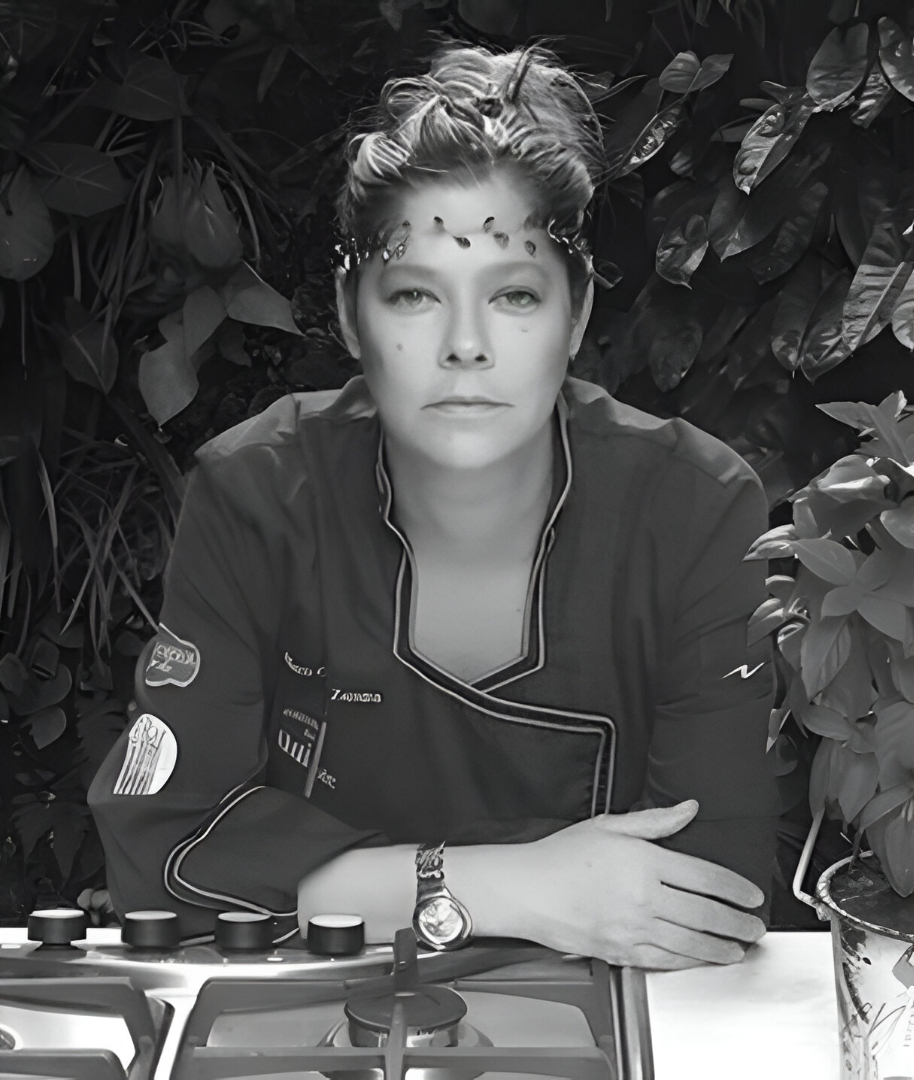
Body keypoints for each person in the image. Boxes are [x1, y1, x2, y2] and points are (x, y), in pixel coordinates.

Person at [88, 42, 777, 971]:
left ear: (574, 319)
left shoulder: (695, 509)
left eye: (516, 296)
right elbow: (162, 854)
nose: (465, 346)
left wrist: (337, 883)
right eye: (415, 295)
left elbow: (709, 896)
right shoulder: (259, 493)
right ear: (349, 314)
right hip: (306, 1019)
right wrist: (505, 886)